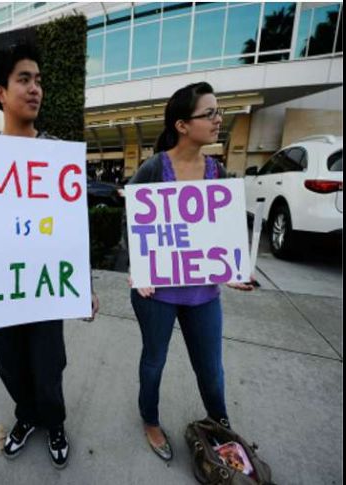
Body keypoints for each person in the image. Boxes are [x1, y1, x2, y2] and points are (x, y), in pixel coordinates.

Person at [0, 42, 99, 469]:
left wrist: (83, 284)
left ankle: (54, 422)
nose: (35, 89)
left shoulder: (55, 154)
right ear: (1, 92)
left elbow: (74, 227)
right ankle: (26, 416)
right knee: (11, 370)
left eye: (38, 81)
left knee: (49, 370)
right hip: (2, 292)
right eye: (24, 79)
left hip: (45, 289)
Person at [127, 82, 255, 462]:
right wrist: (139, 268)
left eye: (219, 112)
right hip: (157, 295)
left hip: (204, 294)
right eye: (210, 113)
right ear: (183, 125)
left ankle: (220, 424)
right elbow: (131, 217)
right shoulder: (153, 168)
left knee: (211, 369)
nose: (218, 120)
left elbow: (221, 231)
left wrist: (232, 269)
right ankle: (150, 420)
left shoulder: (217, 171)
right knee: (154, 361)